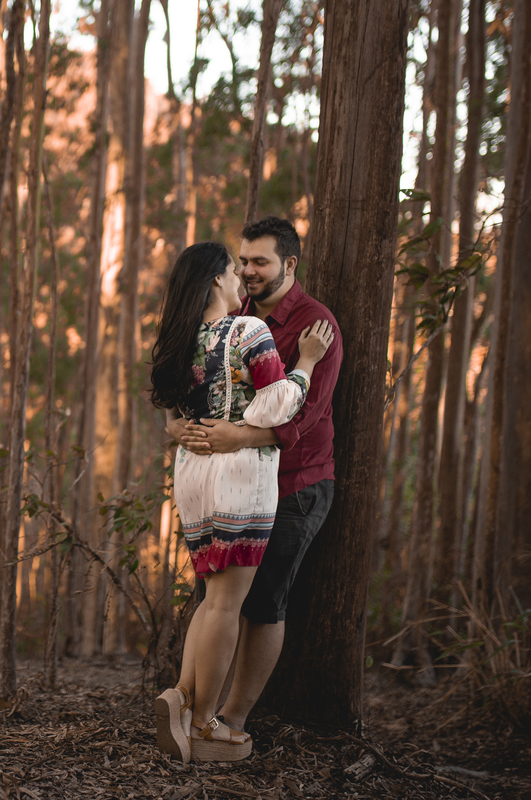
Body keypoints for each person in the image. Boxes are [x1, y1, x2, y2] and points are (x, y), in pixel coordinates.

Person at [149, 240, 334, 763]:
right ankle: (207, 722)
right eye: (233, 271)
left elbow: (172, 413)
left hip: (192, 474)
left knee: (213, 598)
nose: (240, 282)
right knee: (229, 604)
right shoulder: (247, 330)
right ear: (214, 280)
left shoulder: (180, 338)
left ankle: (183, 699)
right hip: (239, 475)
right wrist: (307, 363)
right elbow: (276, 404)